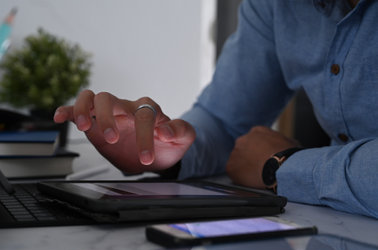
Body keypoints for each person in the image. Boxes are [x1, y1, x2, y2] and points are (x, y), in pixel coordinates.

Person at [54, 0, 378, 219]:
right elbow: (224, 122)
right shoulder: (274, 6)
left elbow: (267, 161)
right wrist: (163, 152)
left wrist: (283, 168)